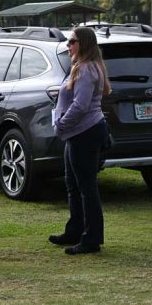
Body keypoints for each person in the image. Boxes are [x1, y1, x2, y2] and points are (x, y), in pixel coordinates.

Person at [50, 26, 112, 255]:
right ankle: (75, 230)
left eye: (72, 41)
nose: (68, 45)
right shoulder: (80, 66)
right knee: (72, 184)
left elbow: (81, 104)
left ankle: (91, 239)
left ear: (83, 44)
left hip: (85, 132)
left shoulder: (86, 69)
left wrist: (62, 123)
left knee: (86, 187)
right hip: (75, 134)